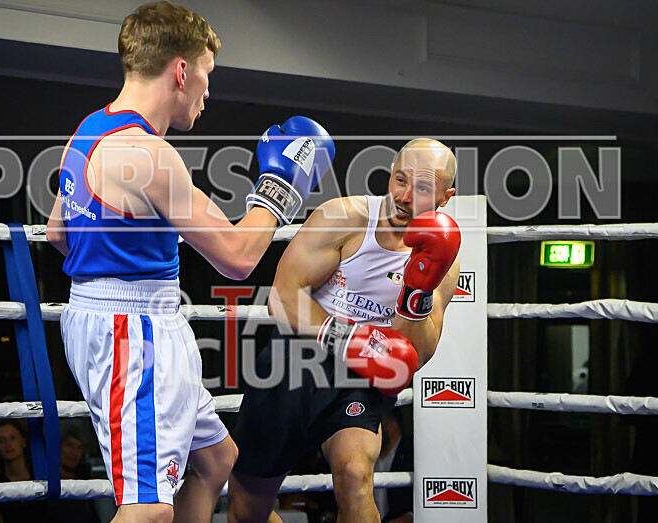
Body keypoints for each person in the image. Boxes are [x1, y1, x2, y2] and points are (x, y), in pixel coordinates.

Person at [45, 2, 335, 522]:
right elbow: (238, 258)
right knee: (149, 510)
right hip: (132, 334)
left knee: (214, 460)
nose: (207, 90)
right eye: (206, 73)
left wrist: (124, 247)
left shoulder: (87, 131)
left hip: (117, 319)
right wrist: (278, 190)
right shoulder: (151, 156)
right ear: (182, 69)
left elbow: (58, 234)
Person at [228, 138, 461, 523]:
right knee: (248, 510)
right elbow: (284, 297)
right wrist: (349, 339)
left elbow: (414, 354)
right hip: (295, 360)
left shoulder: (443, 255)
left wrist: (417, 291)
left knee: (355, 476)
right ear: (390, 174)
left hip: (360, 376)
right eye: (400, 180)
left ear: (445, 196)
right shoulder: (346, 217)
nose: (404, 196)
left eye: (421, 188)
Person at [47, 426, 100, 523]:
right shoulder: (43, 477)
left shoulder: (85, 476)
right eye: (69, 445)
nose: (74, 452)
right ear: (56, 446)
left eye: (79, 447)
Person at [374, 410, 413, 523]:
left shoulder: (412, 452)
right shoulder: (367, 454)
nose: (372, 432)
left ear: (392, 426)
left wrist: (410, 517)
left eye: (376, 426)